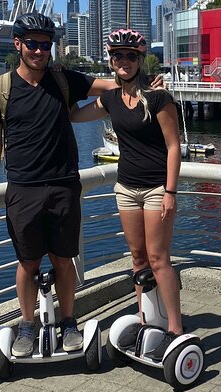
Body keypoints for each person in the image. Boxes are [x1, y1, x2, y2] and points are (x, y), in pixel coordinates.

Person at [0, 13, 132, 357]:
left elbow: (107, 86)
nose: (38, 50)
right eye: (32, 43)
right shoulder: (0, 89)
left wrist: (144, 81)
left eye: (45, 44)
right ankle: (26, 324)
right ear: (18, 44)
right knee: (28, 263)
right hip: (23, 189)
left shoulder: (63, 80)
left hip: (64, 185)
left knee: (64, 260)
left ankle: (68, 321)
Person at [69, 29, 182, 361]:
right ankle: (146, 319)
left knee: (159, 258)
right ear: (111, 59)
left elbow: (174, 146)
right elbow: (74, 115)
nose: (124, 61)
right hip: (127, 187)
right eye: (118, 55)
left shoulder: (159, 98)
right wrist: (67, 84)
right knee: (137, 259)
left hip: (157, 187)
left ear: (140, 59)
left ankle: (176, 328)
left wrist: (171, 191)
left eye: (131, 56)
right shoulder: (112, 99)